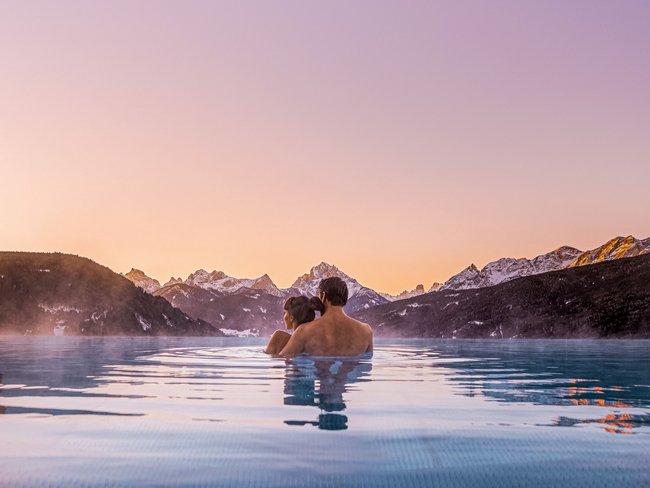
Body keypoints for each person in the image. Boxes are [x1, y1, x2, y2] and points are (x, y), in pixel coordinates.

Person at [279, 277, 373, 356]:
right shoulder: (366, 331)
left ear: (323, 296)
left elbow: (285, 359)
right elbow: (367, 365)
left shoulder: (305, 331)